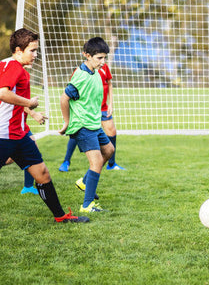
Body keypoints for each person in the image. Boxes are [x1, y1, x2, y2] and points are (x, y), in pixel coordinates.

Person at [0, 28, 89, 223]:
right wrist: (30, 103)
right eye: (32, 50)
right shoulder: (13, 67)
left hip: (19, 135)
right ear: (17, 50)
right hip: (3, 135)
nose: (35, 54)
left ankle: (60, 216)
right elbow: (3, 93)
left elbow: (12, 100)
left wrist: (30, 111)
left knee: (42, 173)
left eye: (36, 50)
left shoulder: (10, 66)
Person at [59, 37, 115, 213]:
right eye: (99, 58)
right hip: (83, 126)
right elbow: (64, 98)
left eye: (104, 57)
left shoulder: (97, 72)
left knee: (109, 151)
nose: (103, 62)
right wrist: (67, 122)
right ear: (87, 55)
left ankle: (84, 182)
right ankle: (87, 205)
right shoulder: (81, 76)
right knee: (96, 161)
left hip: (94, 124)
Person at [58, 62, 125, 172]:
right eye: (99, 56)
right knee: (78, 131)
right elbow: (71, 92)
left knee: (111, 132)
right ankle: (66, 161)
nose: (102, 60)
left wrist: (111, 104)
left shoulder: (104, 67)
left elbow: (109, 84)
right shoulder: (81, 72)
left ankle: (111, 164)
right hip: (87, 110)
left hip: (102, 107)